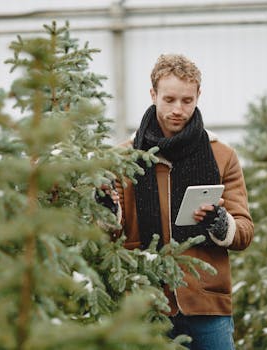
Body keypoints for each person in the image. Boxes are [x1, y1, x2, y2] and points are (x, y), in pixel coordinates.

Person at [100, 54, 253, 350]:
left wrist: (223, 225)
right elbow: (109, 238)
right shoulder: (122, 158)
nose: (177, 110)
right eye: (169, 99)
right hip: (146, 304)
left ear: (198, 96)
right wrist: (107, 211)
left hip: (207, 305)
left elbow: (244, 230)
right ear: (153, 95)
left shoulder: (222, 155)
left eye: (187, 100)